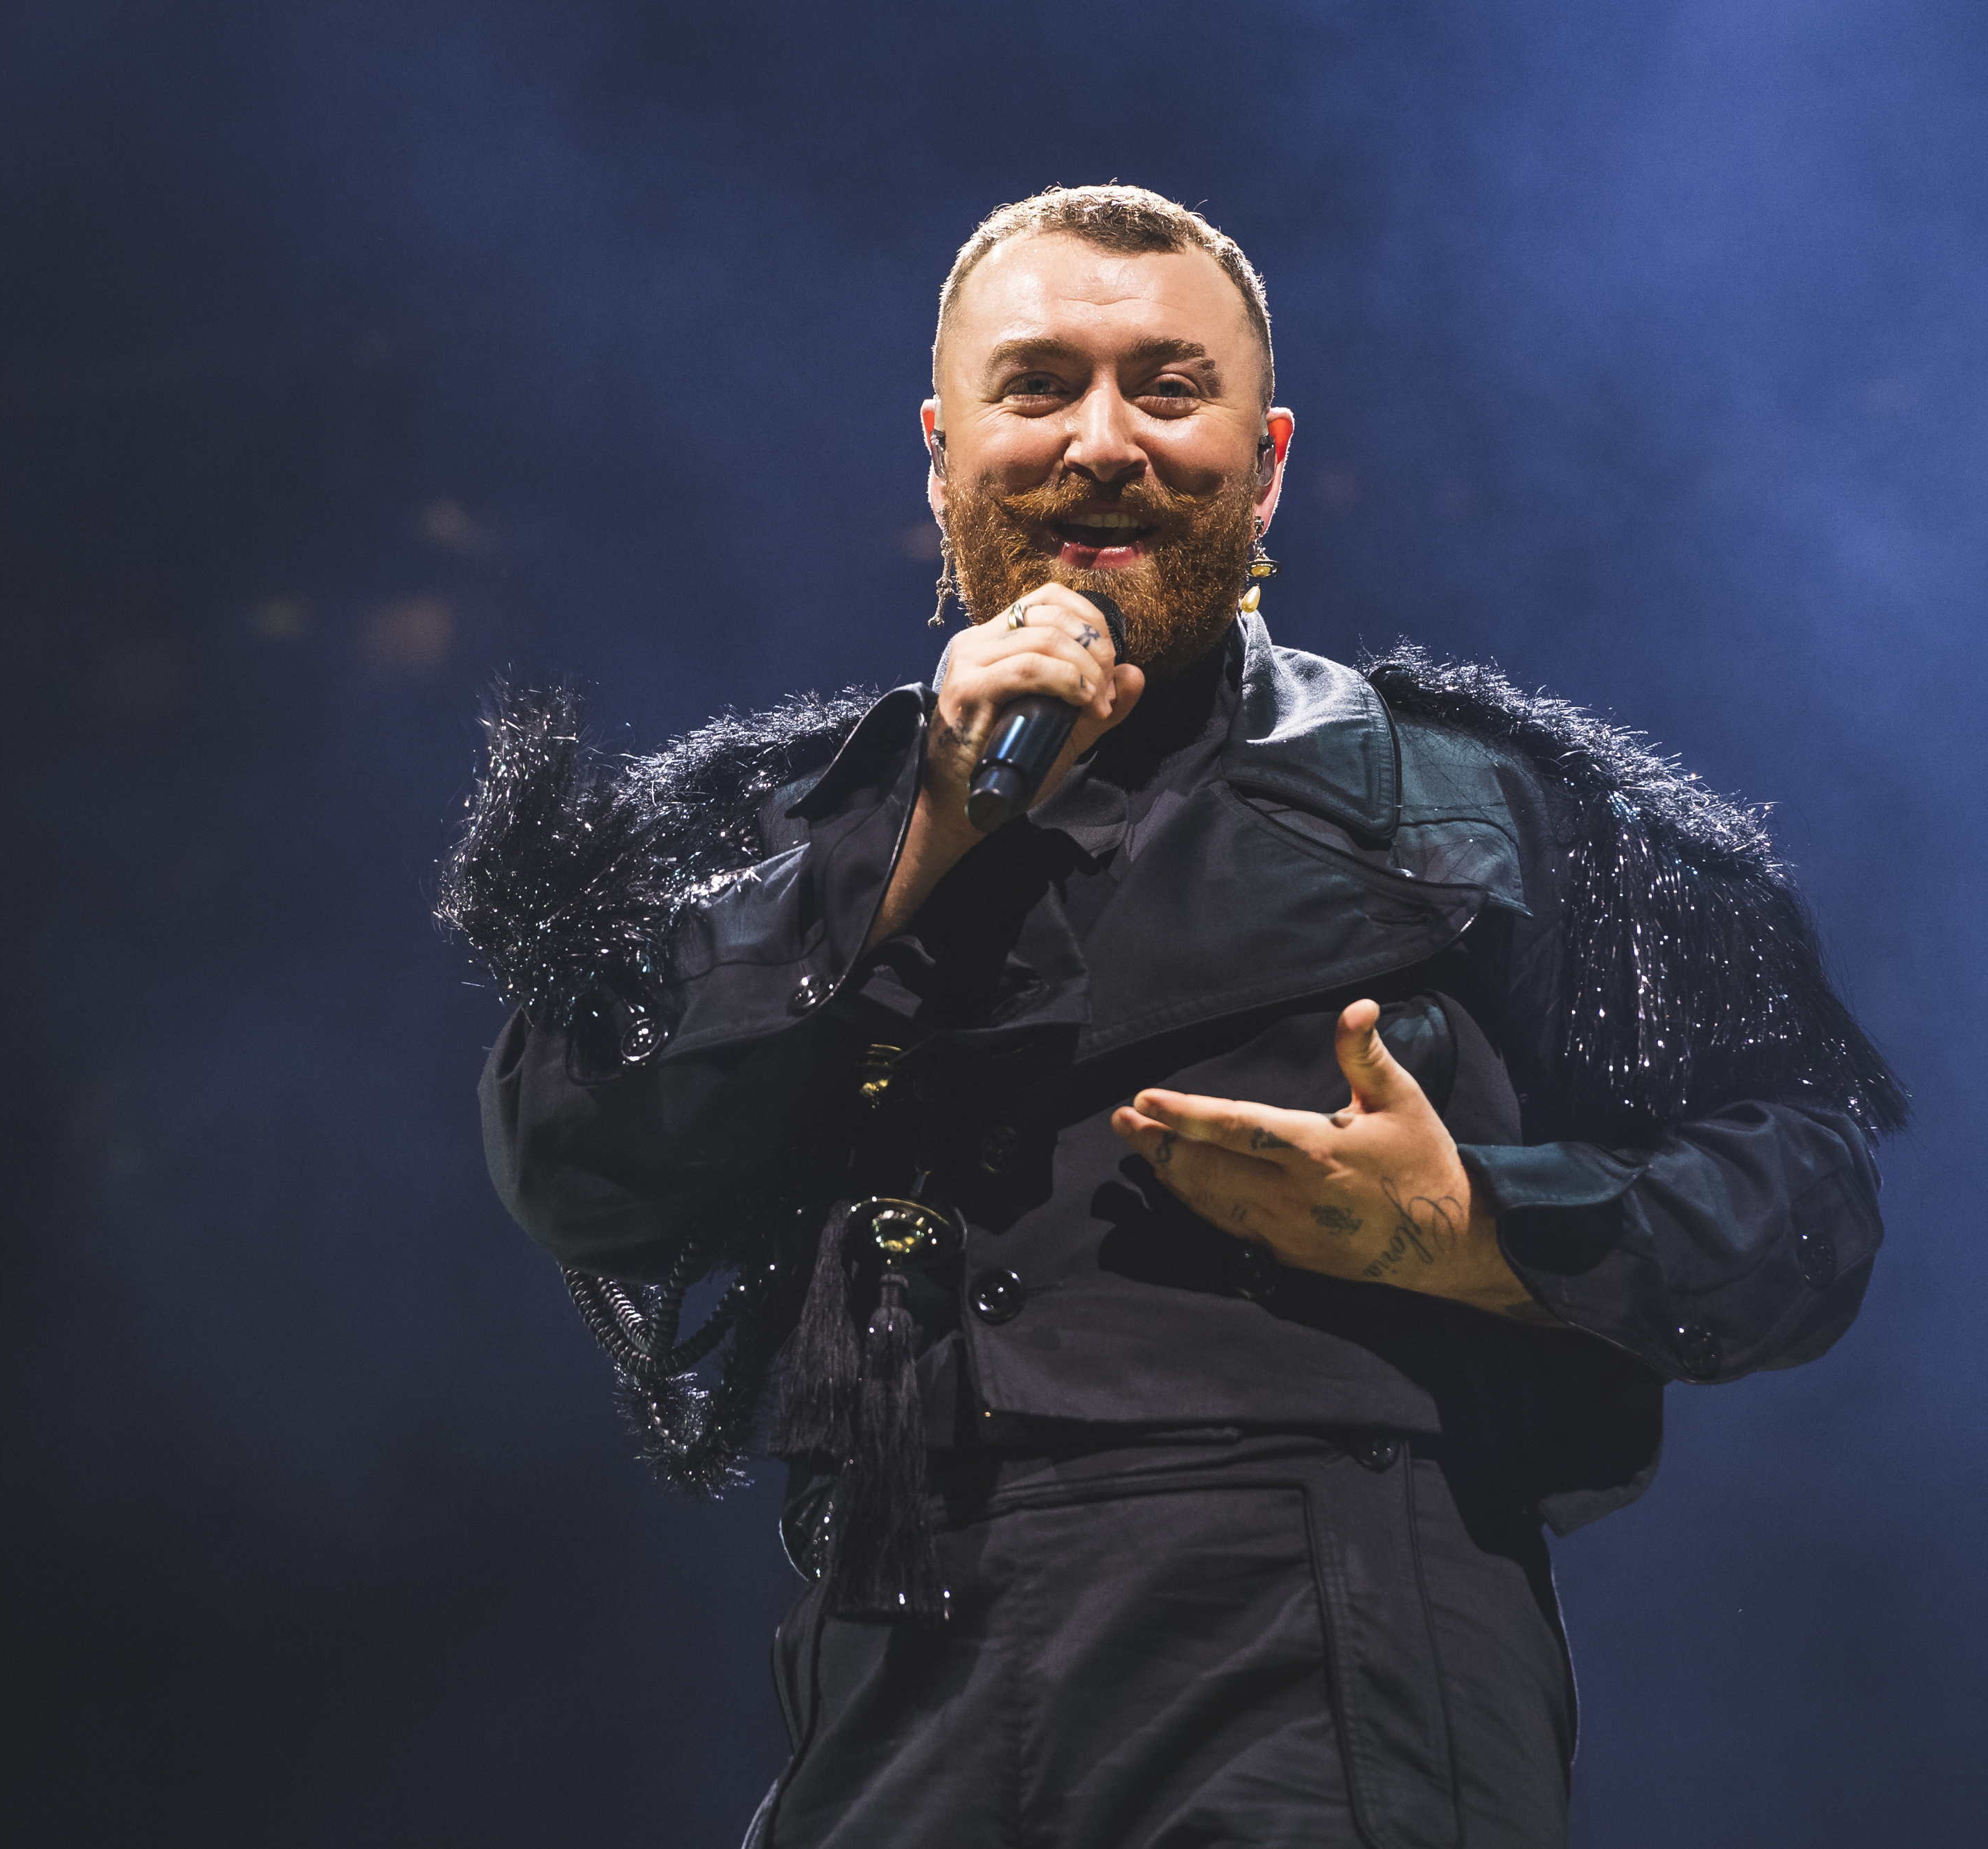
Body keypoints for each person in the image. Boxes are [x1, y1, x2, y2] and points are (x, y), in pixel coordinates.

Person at [439, 184, 1904, 1849]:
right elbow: (569, 1156)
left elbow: (1805, 1195)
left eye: (1168, 386)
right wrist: (918, 833)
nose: (1103, 441)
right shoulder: (802, 822)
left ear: (1264, 460)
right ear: (941, 449)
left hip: (1329, 1635)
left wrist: (1476, 1228)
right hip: (907, 1646)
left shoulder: (1477, 803)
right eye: (1041, 384)